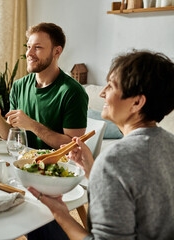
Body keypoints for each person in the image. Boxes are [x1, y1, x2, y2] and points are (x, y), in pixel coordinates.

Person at [29, 50, 174, 240]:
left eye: (111, 86)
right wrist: (92, 170)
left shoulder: (115, 159)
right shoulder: (169, 143)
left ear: (137, 102)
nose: (102, 92)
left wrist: (60, 213)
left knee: (37, 221)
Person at [0, 22, 88, 150]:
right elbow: (11, 135)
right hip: (22, 163)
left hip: (57, 168)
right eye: (28, 47)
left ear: (57, 51)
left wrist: (32, 125)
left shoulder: (72, 91)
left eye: (37, 47)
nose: (29, 53)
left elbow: (73, 146)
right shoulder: (19, 86)